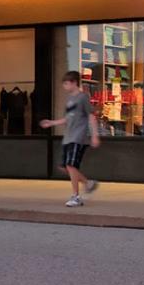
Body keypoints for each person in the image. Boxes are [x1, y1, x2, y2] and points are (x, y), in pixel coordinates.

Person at [41, 71, 100, 207]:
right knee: (64, 167)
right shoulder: (69, 100)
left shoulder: (83, 97)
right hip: (68, 137)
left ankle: (76, 196)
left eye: (67, 83)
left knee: (71, 165)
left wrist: (95, 135)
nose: (65, 86)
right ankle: (88, 183)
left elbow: (91, 116)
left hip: (78, 137)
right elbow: (67, 118)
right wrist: (52, 123)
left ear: (74, 82)